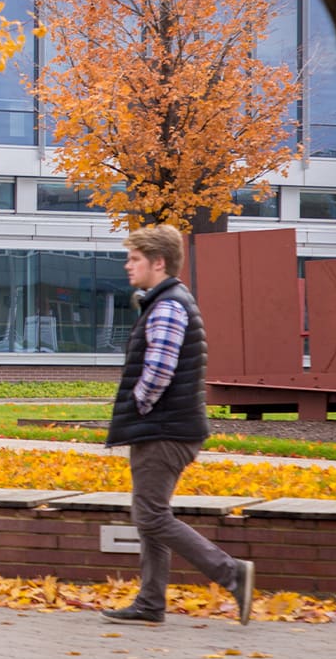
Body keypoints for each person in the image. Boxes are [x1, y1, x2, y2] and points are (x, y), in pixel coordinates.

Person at [101, 225, 254, 625]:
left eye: (134, 258)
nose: (127, 264)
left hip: (164, 429)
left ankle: (231, 572)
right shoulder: (163, 302)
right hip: (166, 427)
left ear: (158, 262)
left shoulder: (168, 305)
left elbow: (159, 371)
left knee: (150, 516)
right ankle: (151, 603)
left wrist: (139, 406)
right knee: (149, 514)